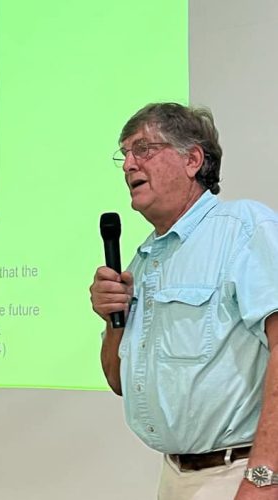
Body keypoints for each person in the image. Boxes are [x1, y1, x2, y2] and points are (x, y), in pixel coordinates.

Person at [90, 103, 278, 500]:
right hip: (174, 476)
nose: (128, 165)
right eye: (123, 154)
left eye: (143, 149)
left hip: (239, 474)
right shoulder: (142, 260)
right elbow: (118, 381)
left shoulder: (243, 229)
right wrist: (112, 320)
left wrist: (265, 477)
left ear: (192, 159)